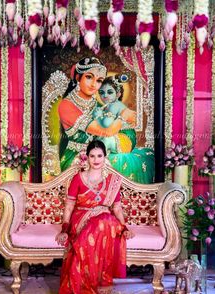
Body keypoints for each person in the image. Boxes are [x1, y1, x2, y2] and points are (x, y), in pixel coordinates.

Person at [56, 140, 132, 294]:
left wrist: (124, 227)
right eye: (92, 156)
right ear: (87, 157)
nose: (96, 160)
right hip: (81, 218)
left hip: (104, 219)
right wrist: (64, 228)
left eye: (99, 156)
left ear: (105, 157)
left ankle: (95, 280)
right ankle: (85, 285)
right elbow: (70, 206)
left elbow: (116, 207)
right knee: (107, 221)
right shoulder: (78, 178)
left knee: (107, 220)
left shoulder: (112, 181)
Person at [58, 57, 123, 172]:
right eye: (89, 77)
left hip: (100, 156)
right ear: (78, 78)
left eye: (99, 81)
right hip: (77, 159)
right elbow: (105, 131)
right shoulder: (66, 105)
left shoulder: (98, 105)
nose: (94, 84)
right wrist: (121, 119)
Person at [94, 74, 155, 183]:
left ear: (118, 94)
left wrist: (97, 116)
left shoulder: (115, 105)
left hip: (124, 137)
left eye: (110, 92)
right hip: (113, 134)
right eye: (101, 93)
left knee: (104, 141)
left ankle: (100, 169)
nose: (105, 96)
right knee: (98, 141)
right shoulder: (106, 106)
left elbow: (106, 124)